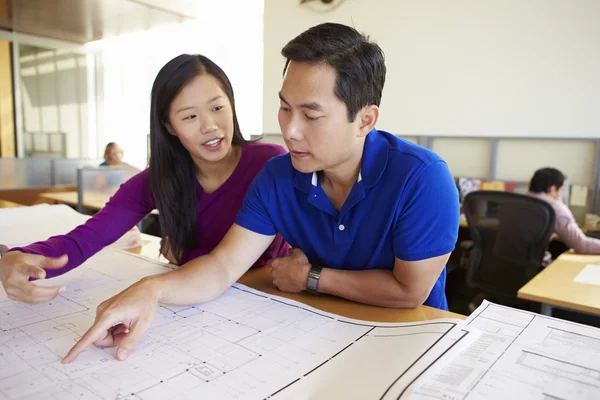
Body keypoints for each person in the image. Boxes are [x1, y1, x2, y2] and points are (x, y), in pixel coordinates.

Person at [62, 23, 459, 364]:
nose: (290, 130)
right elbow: (221, 267)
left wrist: (311, 277)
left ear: (365, 119)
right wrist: (151, 290)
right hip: (314, 332)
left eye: (311, 114)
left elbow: (409, 293)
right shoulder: (278, 176)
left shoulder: (422, 178)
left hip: (408, 340)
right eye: (284, 108)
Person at [0, 54, 288, 304]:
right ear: (169, 126)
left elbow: (260, 254)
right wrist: (19, 258)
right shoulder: (156, 180)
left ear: (231, 104)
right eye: (189, 116)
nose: (210, 126)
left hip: (273, 296)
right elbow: (85, 239)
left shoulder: (270, 163)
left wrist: (189, 253)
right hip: (195, 301)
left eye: (217, 107)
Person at [528, 168, 600, 255]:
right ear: (553, 189)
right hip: (534, 265)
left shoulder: (518, 201)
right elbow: (582, 245)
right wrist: (558, 202)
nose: (560, 194)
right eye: (561, 190)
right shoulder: (554, 208)